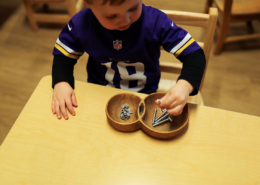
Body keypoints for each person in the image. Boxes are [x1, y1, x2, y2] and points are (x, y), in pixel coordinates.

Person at [52, 0, 206, 120]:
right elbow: (63, 56)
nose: (125, 20)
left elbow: (195, 55)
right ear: (89, 4)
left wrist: (184, 86)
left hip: (144, 97)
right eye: (111, 16)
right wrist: (61, 82)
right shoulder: (81, 23)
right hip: (98, 95)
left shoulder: (155, 22)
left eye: (133, 8)